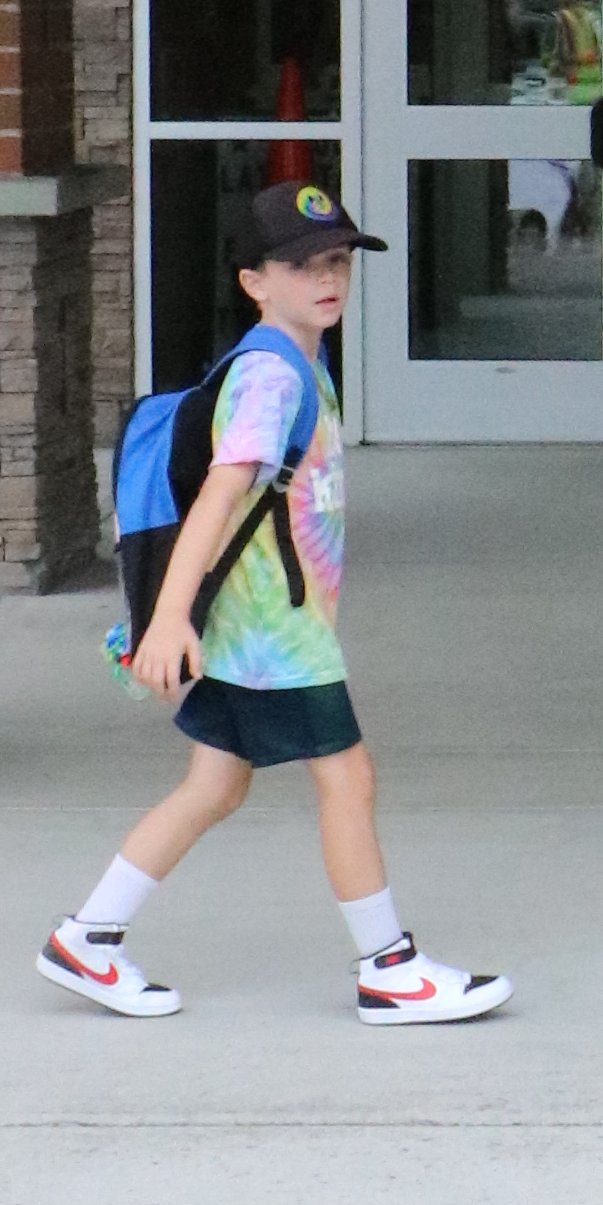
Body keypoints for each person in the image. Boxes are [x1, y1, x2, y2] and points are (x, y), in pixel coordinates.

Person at [41, 181, 513, 1024]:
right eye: (299, 266)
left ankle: (88, 938)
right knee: (347, 776)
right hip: (273, 632)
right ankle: (387, 968)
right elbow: (222, 498)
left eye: (336, 261)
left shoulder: (299, 358)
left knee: (215, 786)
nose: (325, 279)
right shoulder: (269, 377)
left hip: (259, 624)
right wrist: (169, 617)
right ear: (253, 281)